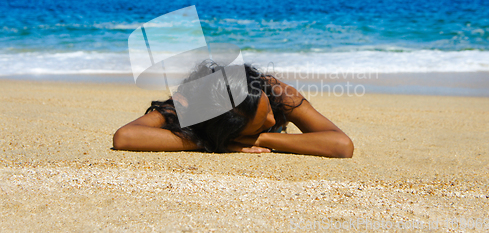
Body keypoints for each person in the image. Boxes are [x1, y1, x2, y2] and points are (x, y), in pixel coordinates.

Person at [113, 62, 354, 158]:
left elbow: (342, 145)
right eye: (260, 123)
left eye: (267, 109)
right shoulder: (192, 103)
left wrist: (260, 136)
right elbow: (125, 137)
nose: (272, 117)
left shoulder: (277, 92)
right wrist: (211, 142)